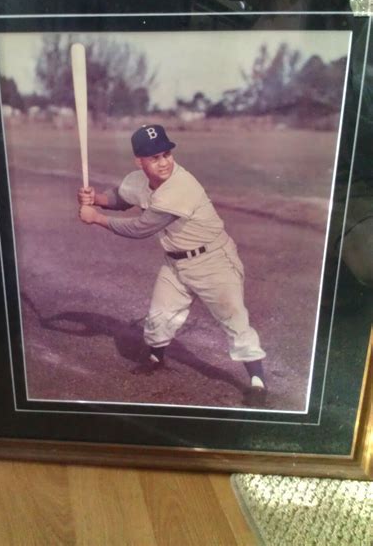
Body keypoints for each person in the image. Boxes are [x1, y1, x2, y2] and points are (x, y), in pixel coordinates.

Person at [77, 124, 267, 390]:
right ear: (139, 161)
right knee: (158, 317)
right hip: (175, 262)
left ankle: (257, 380)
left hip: (213, 261)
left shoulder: (181, 186)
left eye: (166, 154)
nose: (164, 162)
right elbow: (121, 197)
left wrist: (96, 218)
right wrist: (95, 198)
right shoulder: (137, 179)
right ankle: (156, 358)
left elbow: (140, 227)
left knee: (234, 319)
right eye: (155, 157)